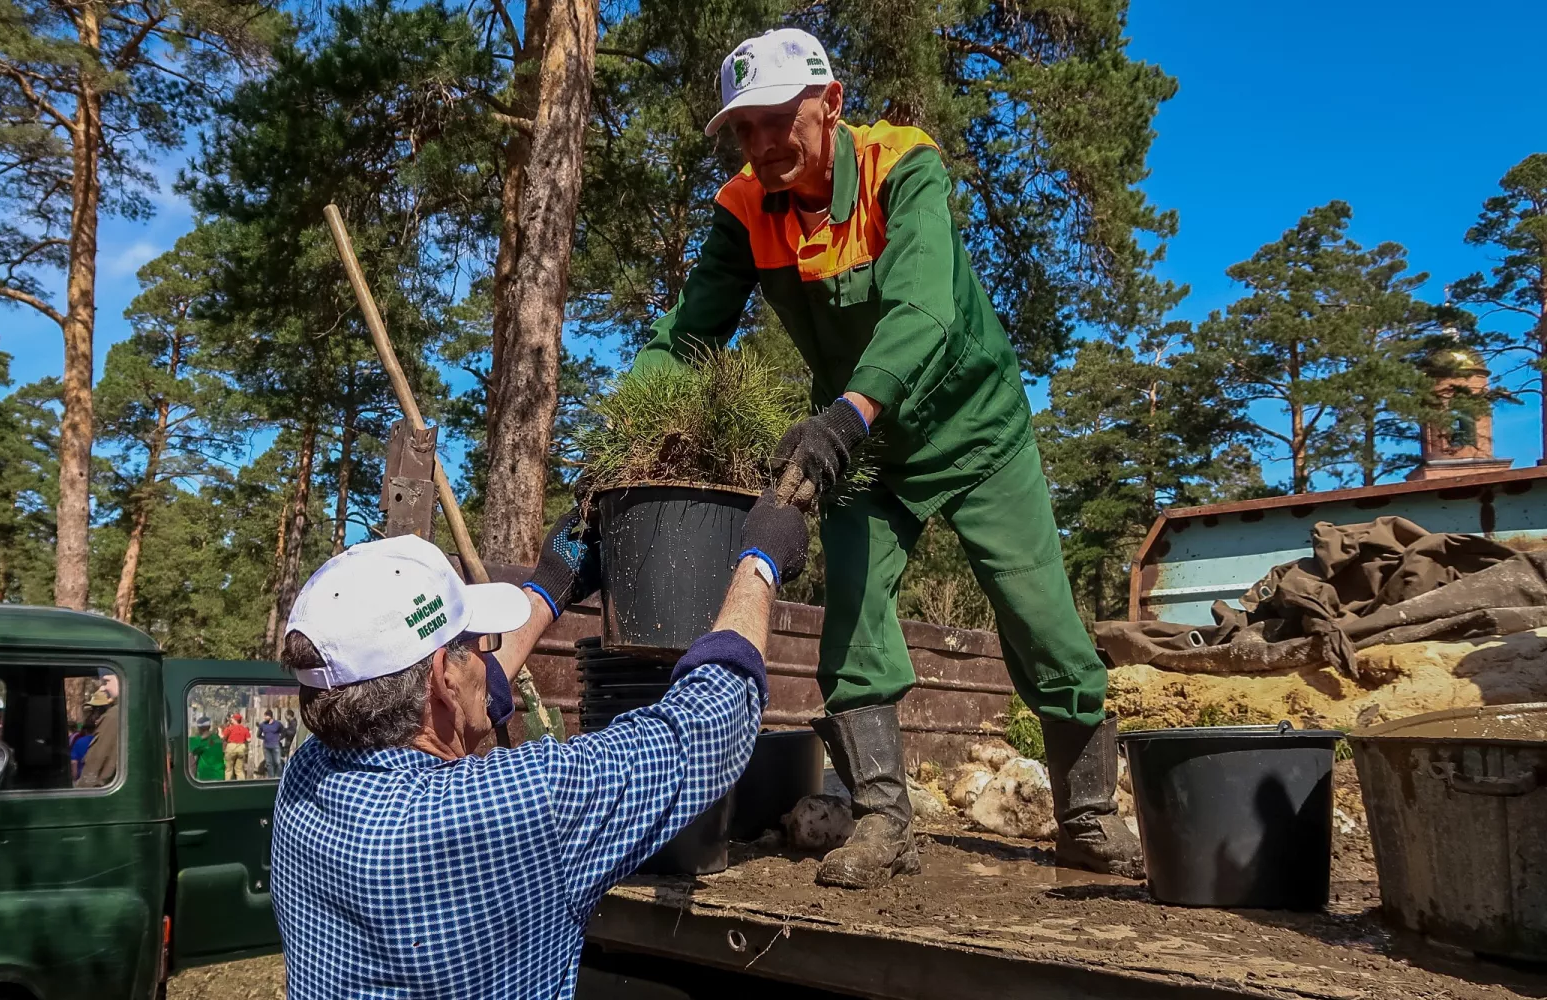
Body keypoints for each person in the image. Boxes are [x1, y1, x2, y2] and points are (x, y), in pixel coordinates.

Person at [631, 28, 1140, 886]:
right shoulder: (745, 207)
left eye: (774, 121)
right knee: (855, 623)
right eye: (741, 130)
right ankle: (882, 820)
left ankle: (1086, 815)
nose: (758, 146)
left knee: (1042, 620)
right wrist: (627, 439)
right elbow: (686, 338)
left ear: (828, 105)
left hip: (972, 429)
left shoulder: (902, 169)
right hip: (864, 452)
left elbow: (922, 309)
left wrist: (843, 419)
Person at [271, 498, 808, 999]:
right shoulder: (526, 803)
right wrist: (760, 561)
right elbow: (708, 727)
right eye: (478, 645)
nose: (487, 659)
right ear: (442, 679)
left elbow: (463, 703)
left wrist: (551, 586)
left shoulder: (302, 781)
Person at [73, 685, 120, 789]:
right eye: (93, 710)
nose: (94, 715)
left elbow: (93, 768)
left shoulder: (110, 720)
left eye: (97, 710)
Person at [189, 717, 227, 782]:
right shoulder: (218, 739)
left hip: (205, 777)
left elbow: (189, 746)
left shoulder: (200, 741)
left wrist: (201, 738)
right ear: (209, 726)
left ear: (199, 729)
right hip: (219, 775)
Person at [221, 713, 252, 780]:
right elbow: (249, 740)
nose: (231, 719)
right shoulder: (244, 729)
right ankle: (241, 786)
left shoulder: (229, 728)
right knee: (239, 770)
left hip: (231, 748)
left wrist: (220, 732)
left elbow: (223, 738)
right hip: (241, 748)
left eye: (232, 718)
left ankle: (227, 785)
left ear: (235, 720)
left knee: (228, 769)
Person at [257, 710, 286, 778]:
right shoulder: (262, 725)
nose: (264, 717)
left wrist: (279, 738)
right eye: (264, 716)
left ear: (270, 716)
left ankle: (279, 777)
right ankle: (271, 778)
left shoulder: (277, 724)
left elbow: (284, 732)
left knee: (278, 762)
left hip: (275, 745)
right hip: (266, 746)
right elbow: (258, 735)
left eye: (266, 716)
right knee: (269, 763)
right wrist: (265, 738)